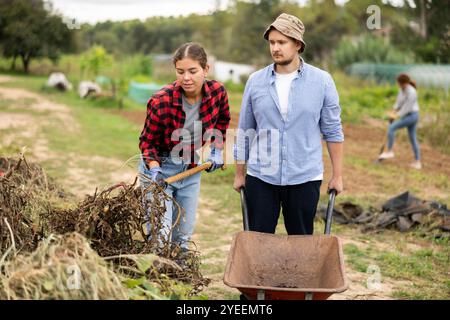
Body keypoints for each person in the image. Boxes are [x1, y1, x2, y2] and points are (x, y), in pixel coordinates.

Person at [233, 13, 344, 235]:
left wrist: (337, 175)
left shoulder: (322, 81)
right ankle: (261, 272)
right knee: (259, 240)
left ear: (298, 45)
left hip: (304, 176)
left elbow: (332, 131)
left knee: (301, 241)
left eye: (282, 42)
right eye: (272, 42)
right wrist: (239, 173)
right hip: (262, 175)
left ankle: (299, 272)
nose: (275, 48)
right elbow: (245, 129)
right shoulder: (256, 81)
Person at [139, 42, 231, 249]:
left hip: (190, 168)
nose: (186, 78)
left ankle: (182, 277)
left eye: (192, 71)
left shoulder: (217, 92)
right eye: (180, 72)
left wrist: (216, 150)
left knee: (182, 237)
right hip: (160, 167)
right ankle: (156, 278)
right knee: (159, 237)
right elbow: (147, 143)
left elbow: (223, 122)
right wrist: (155, 169)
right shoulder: (161, 101)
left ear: (206, 69)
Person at [379, 74, 421, 169]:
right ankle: (417, 162)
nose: (397, 84)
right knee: (412, 138)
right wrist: (393, 111)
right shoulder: (402, 90)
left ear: (403, 83)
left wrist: (397, 115)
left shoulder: (412, 92)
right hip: (407, 115)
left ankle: (389, 151)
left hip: (412, 116)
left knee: (391, 128)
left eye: (398, 82)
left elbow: (407, 108)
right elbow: (398, 103)